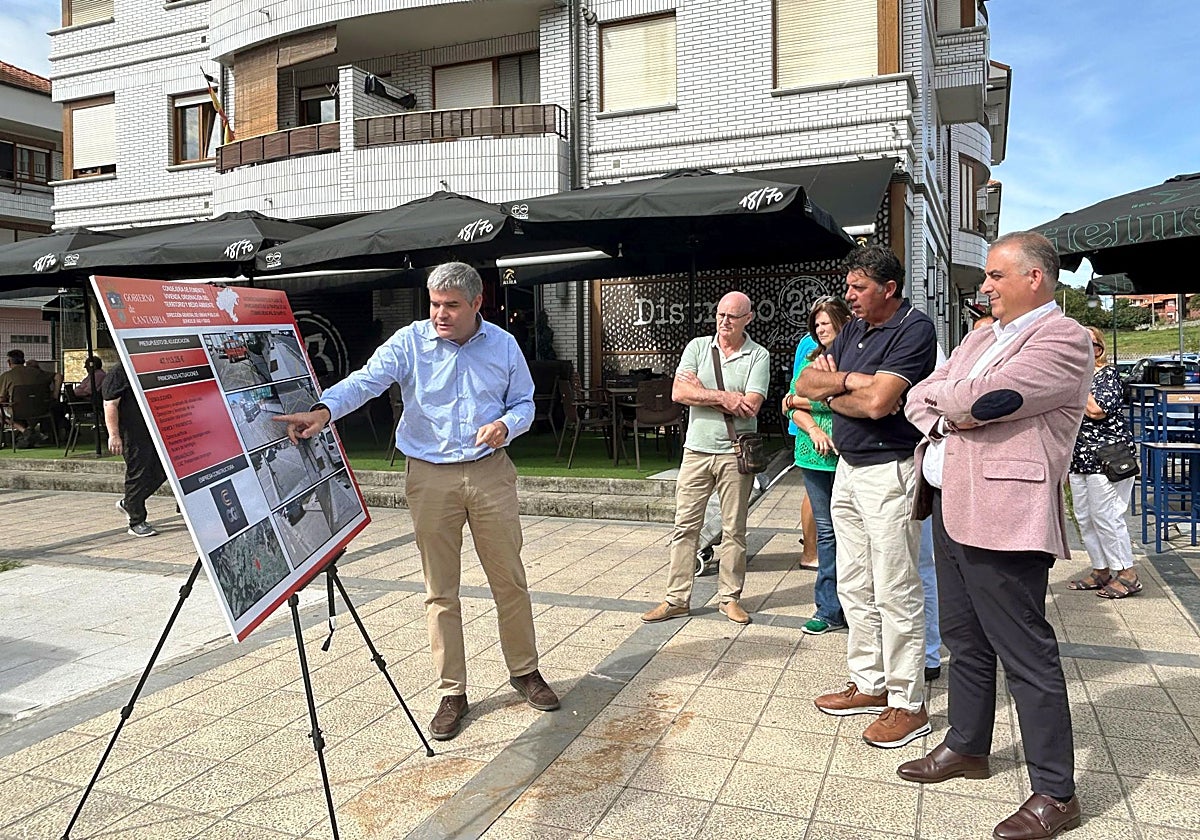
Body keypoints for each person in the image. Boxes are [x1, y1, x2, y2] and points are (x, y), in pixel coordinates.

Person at [273, 262, 558, 742]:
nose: (440, 314)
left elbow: (525, 403)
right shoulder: (410, 341)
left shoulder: (504, 344)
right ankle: (452, 692)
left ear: (477, 303)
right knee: (440, 589)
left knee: (509, 579)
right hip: (429, 476)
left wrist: (506, 425)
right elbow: (366, 380)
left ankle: (525, 671)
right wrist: (324, 411)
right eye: (434, 304)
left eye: (451, 305)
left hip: (490, 472)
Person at [899, 231, 1091, 840]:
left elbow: (991, 400)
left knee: (1024, 650)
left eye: (995, 275)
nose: (984, 286)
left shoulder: (1063, 338)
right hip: (951, 504)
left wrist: (950, 401)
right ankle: (967, 745)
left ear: (1035, 277)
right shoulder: (981, 337)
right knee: (963, 636)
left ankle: (1056, 792)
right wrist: (948, 406)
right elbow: (918, 397)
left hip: (1006, 512)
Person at [797, 244, 937, 749]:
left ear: (889, 288)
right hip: (849, 469)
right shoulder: (854, 327)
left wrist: (836, 391)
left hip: (891, 471)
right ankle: (869, 683)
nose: (850, 296)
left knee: (895, 589)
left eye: (859, 288)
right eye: (848, 286)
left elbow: (880, 404)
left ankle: (908, 703)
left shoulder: (914, 329)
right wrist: (851, 382)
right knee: (855, 583)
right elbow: (806, 382)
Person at [641, 291, 769, 626]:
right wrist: (726, 398)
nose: (724, 321)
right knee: (685, 526)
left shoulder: (759, 355)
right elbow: (679, 393)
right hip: (696, 451)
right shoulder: (697, 347)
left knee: (734, 529)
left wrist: (702, 393)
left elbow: (751, 406)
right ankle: (676, 599)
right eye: (720, 314)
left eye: (732, 316)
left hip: (735, 452)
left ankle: (729, 598)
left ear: (748, 319)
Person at [782, 296, 852, 635]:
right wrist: (812, 426)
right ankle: (827, 608)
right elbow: (789, 403)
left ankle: (857, 606)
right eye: (817, 324)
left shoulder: (855, 357)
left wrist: (808, 399)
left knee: (852, 532)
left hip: (849, 454)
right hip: (812, 454)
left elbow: (852, 399)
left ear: (842, 321)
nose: (821, 329)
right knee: (826, 532)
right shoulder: (810, 357)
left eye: (826, 322)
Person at [1065, 327, 1141, 599]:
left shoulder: (1107, 375)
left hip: (1107, 458)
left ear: (1100, 349)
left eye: (1092, 345)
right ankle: (1101, 569)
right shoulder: (1071, 376)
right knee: (1084, 517)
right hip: (1080, 459)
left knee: (1106, 515)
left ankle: (1127, 574)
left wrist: (1078, 382)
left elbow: (1097, 410)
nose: (1086, 350)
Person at [103, 363, 168, 538]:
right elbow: (110, 404)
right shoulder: (119, 372)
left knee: (162, 471)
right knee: (138, 474)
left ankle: (130, 503)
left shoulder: (147, 366)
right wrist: (114, 435)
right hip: (132, 433)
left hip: (154, 430)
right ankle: (136, 520)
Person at [0, 349, 54, 446]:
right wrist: (55, 395)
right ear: (23, 360)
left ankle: (24, 431)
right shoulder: (37, 372)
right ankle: (30, 431)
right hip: (40, 409)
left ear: (9, 362)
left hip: (17, 410)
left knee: (1, 413)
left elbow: (1, 398)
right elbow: (59, 376)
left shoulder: (6, 376)